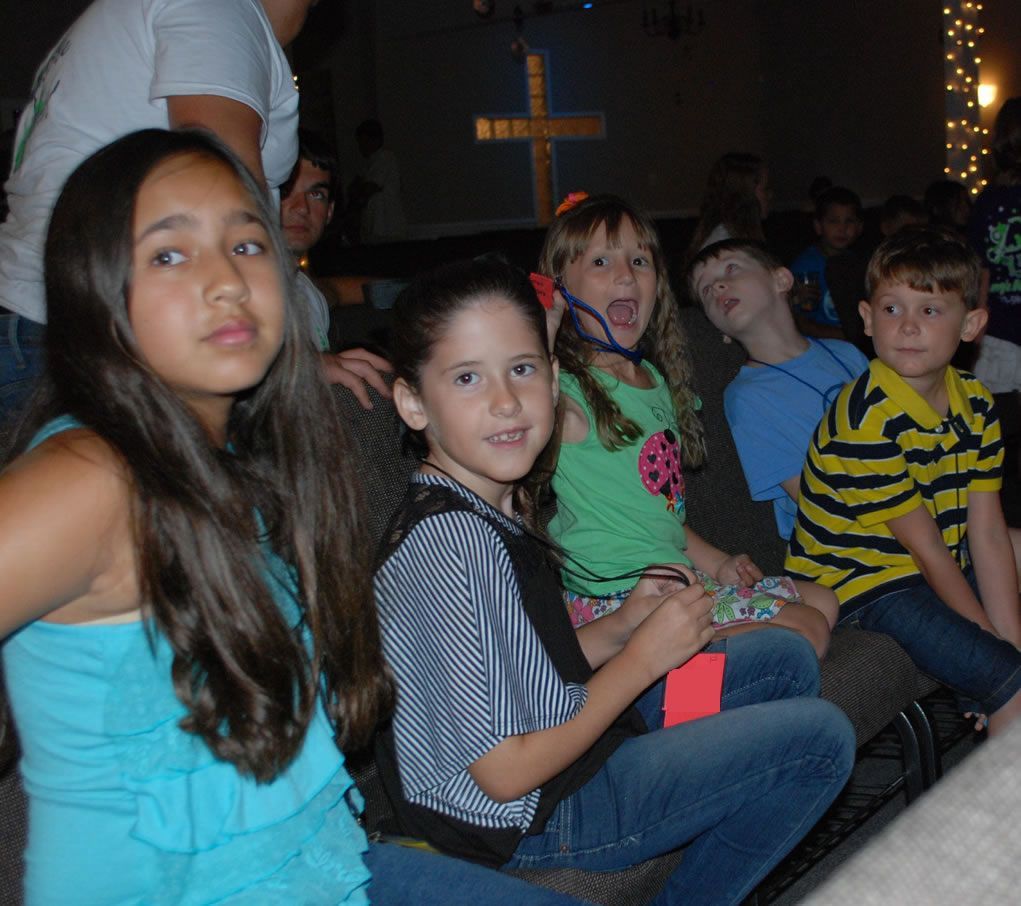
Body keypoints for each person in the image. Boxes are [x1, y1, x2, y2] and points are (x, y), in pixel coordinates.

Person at [0, 129, 580, 906]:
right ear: (96, 287)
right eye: (169, 254)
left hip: (320, 868)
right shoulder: (93, 478)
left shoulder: (247, 465)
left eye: (246, 245)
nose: (226, 282)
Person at [374, 255, 855, 905]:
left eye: (522, 369)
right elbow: (502, 773)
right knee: (818, 741)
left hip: (571, 741)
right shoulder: (448, 544)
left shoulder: (487, 507)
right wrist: (640, 660)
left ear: (552, 378)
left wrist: (624, 626)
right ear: (412, 401)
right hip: (530, 815)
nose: (505, 401)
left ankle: (691, 773)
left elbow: (526, 669)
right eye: (467, 377)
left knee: (782, 658)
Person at [0, 0, 316, 429]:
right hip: (97, 337)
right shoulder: (219, 9)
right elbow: (218, 185)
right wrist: (292, 360)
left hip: (43, 321)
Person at [544, 195, 837, 657]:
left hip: (676, 577)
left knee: (823, 600)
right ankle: (671, 667)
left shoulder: (653, 380)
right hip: (618, 599)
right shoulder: (566, 391)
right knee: (807, 629)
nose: (626, 275)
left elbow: (663, 517)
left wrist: (718, 564)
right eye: (601, 261)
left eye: (639, 260)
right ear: (561, 289)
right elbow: (521, 407)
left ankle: (693, 661)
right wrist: (544, 331)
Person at [785, 226, 1021, 737]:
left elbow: (986, 531)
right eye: (892, 309)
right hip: (862, 583)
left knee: (1007, 663)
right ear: (867, 318)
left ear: (971, 324)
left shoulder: (977, 402)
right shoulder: (864, 419)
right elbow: (925, 550)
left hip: (931, 559)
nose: (908, 326)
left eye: (930, 310)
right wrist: (995, 656)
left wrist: (1009, 644)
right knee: (1006, 678)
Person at [688, 238, 869, 541]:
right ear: (719, 329)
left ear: (782, 280)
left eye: (731, 269)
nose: (717, 286)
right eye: (705, 289)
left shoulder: (847, 353)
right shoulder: (746, 397)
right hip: (852, 545)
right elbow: (820, 507)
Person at [280, 128, 392, 407]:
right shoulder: (238, 291)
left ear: (329, 211)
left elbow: (337, 290)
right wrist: (304, 368)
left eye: (316, 194)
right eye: (286, 191)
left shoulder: (304, 287)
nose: (302, 207)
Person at [968, 97, 1021, 404]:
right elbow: (981, 267)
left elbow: (982, 269)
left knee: (997, 416)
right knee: (995, 413)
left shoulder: (988, 201)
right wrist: (978, 320)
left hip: (996, 331)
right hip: (998, 333)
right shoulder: (989, 201)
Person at [789, 186, 865, 339]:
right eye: (833, 221)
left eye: (849, 221)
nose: (842, 228)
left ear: (859, 227)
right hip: (817, 342)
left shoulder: (860, 263)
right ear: (818, 226)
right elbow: (801, 322)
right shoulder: (805, 267)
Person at [684, 152, 770, 262]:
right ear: (746, 196)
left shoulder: (736, 238)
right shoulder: (725, 242)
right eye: (765, 189)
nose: (770, 195)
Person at [348, 118, 407, 245]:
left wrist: (360, 191)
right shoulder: (369, 164)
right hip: (376, 227)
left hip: (387, 227)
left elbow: (370, 187)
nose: (361, 146)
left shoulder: (385, 157)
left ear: (375, 140)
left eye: (364, 141)